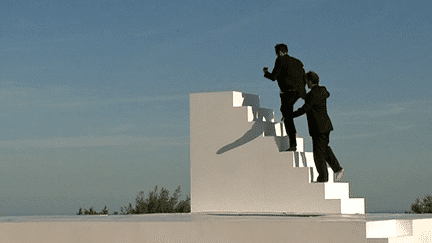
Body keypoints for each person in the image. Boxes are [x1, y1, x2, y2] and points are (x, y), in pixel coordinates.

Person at [292, 71, 344, 182]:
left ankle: (323, 177)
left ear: (310, 81)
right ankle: (337, 169)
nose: (306, 84)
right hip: (326, 126)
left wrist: (290, 115)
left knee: (318, 154)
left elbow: (304, 108)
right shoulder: (322, 92)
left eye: (306, 81)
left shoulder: (312, 95)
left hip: (318, 128)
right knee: (324, 149)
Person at [263, 43, 306, 151]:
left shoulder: (280, 60)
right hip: (299, 92)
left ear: (279, 52)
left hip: (287, 93)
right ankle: (293, 142)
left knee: (287, 116)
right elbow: (304, 78)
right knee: (286, 112)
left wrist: (266, 72)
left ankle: (293, 144)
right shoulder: (297, 62)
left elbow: (274, 77)